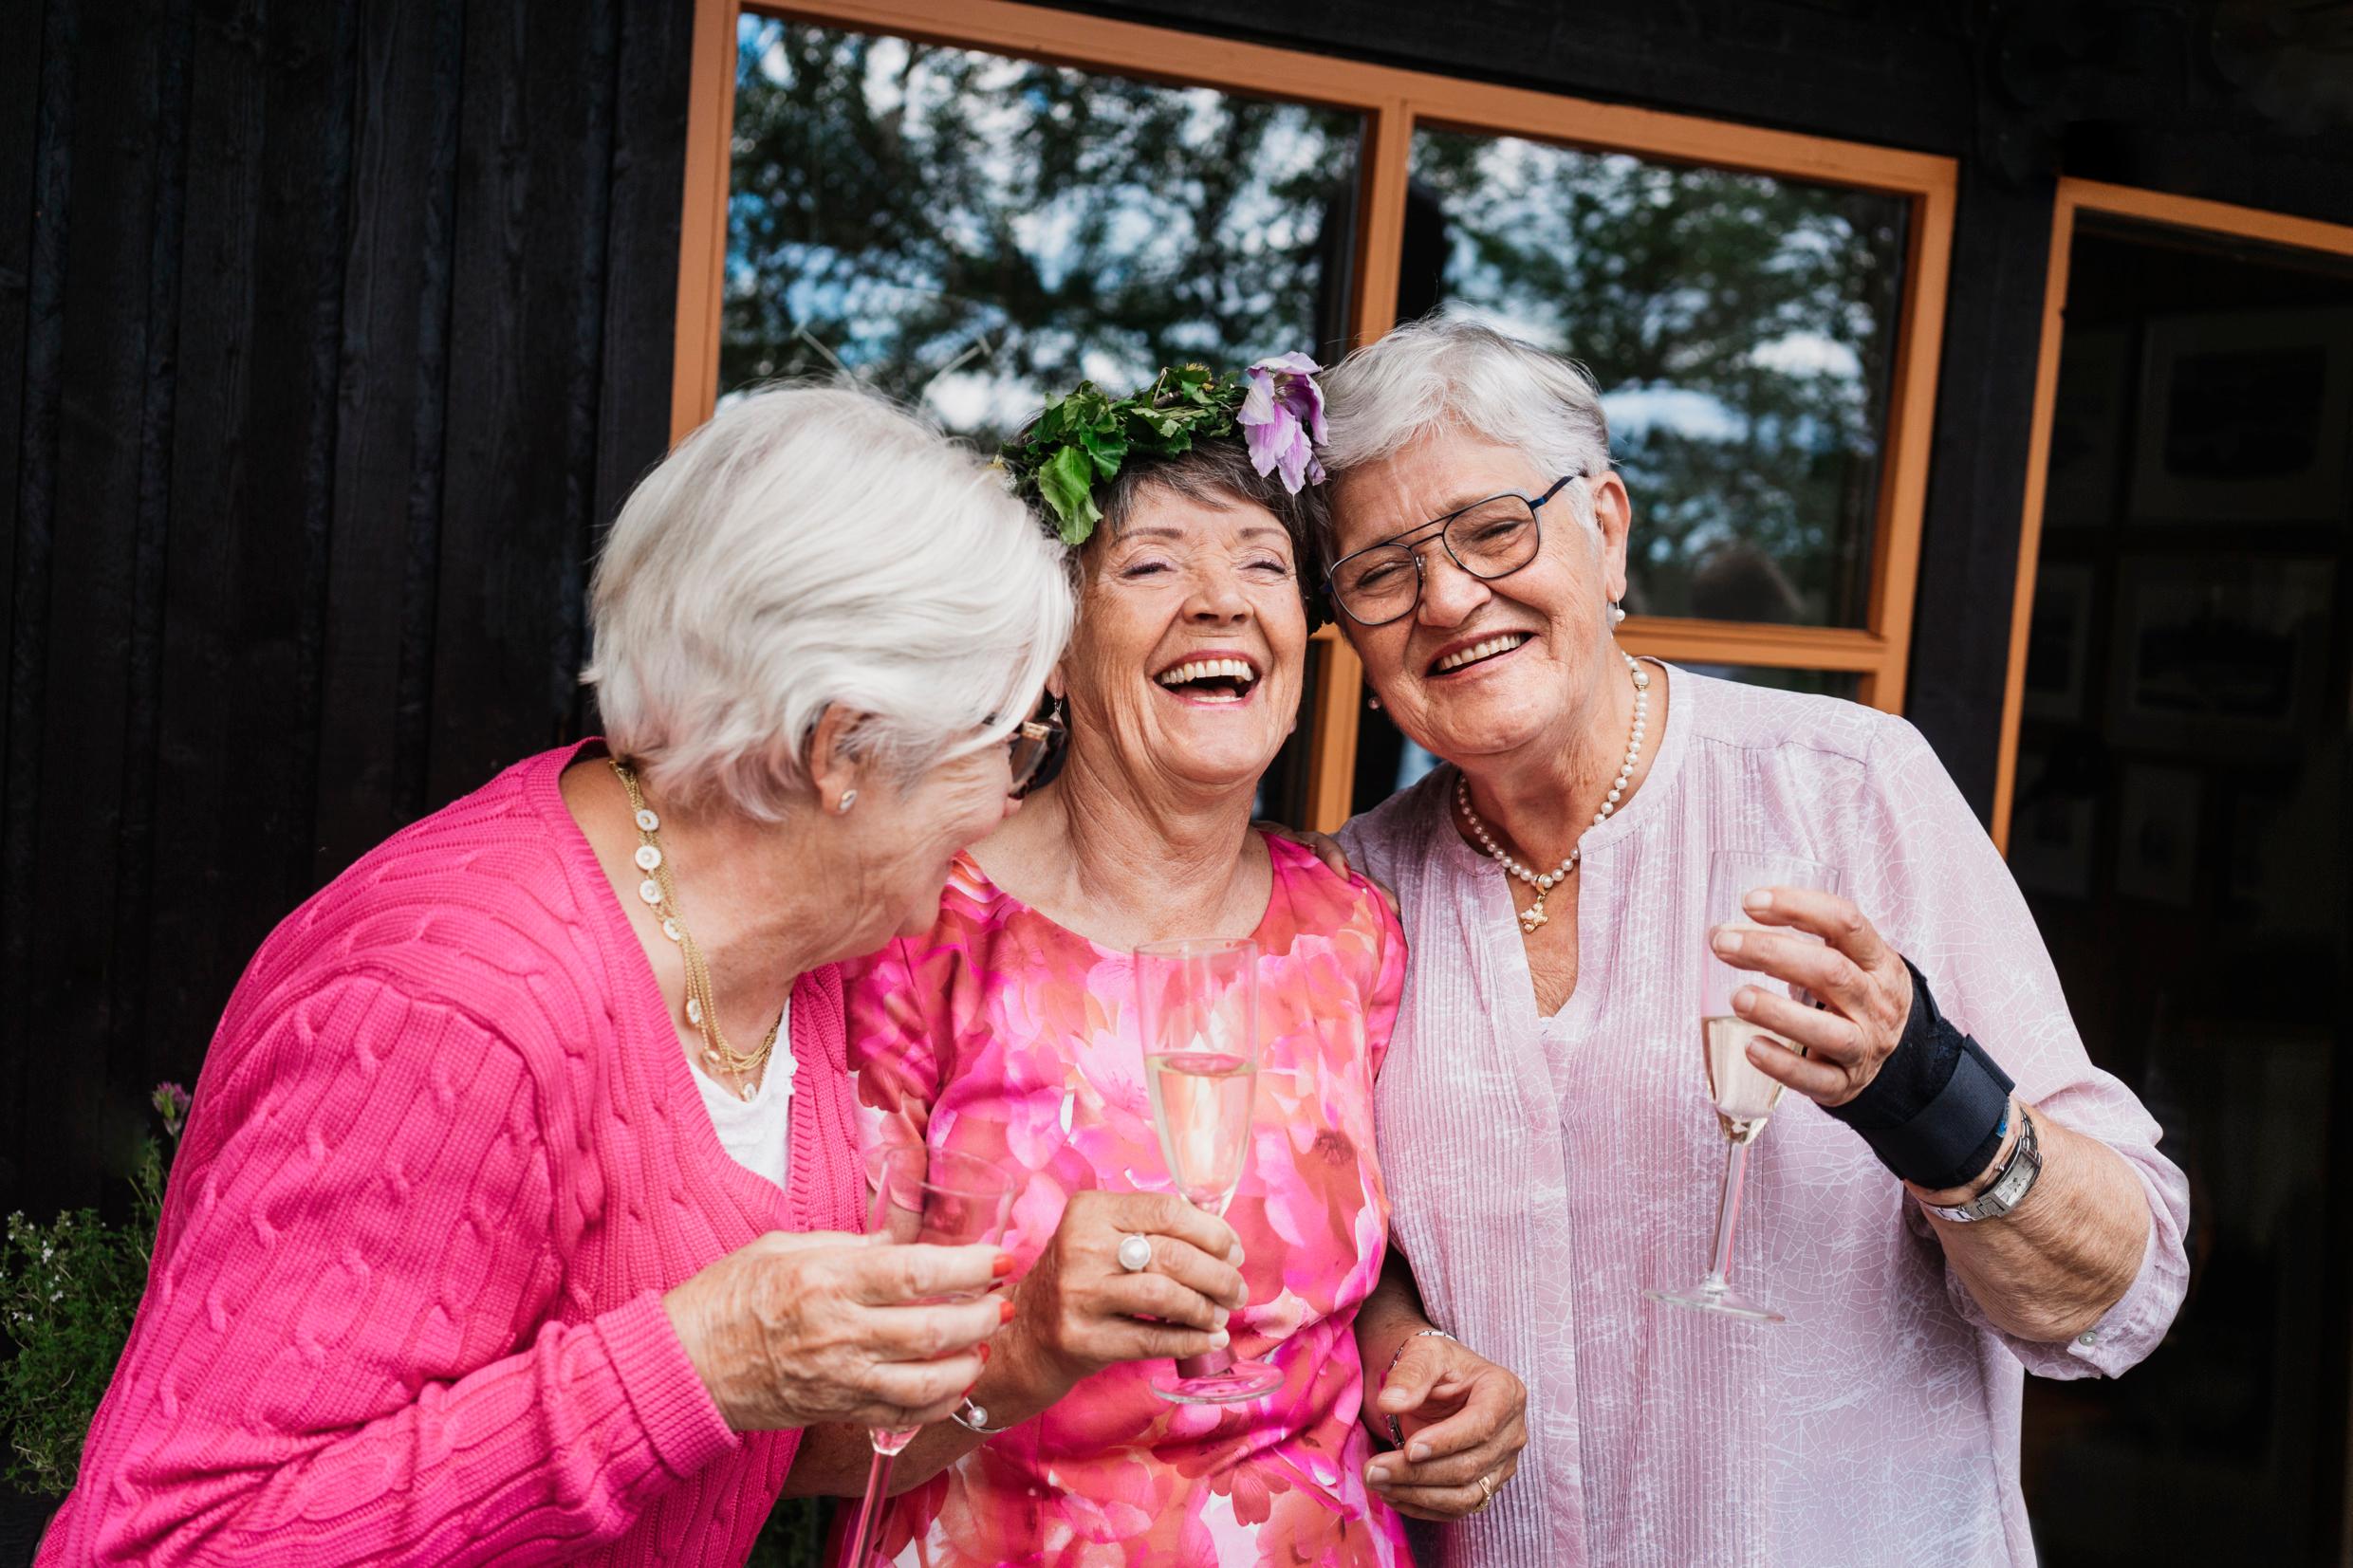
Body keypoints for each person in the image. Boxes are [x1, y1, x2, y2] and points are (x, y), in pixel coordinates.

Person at [40, 386, 1075, 1567]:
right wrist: (704, 1357)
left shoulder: (798, 960)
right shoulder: (451, 1007)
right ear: (837, 750)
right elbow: (166, 1546)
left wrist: (1032, 1346)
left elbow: (739, 1446)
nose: (1008, 798)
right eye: (1011, 741)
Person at [1315, 318, 2190, 1567]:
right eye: (1382, 570)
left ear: (1607, 529)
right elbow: (1339, 1251)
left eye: (1495, 528)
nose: (1448, 596)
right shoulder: (1354, 894)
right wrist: (1400, 1353)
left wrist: (1926, 1087)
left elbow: (2119, 1298)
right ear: (1350, 629)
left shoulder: (1846, 793)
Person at [793, 358, 1529, 1565]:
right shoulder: (917, 926)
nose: (1219, 602)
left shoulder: (1351, 930)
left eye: (1260, 562)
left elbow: (1362, 1285)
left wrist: (1418, 1369)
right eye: (1148, 565)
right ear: (1053, 651)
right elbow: (801, 1439)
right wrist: (1024, 1347)